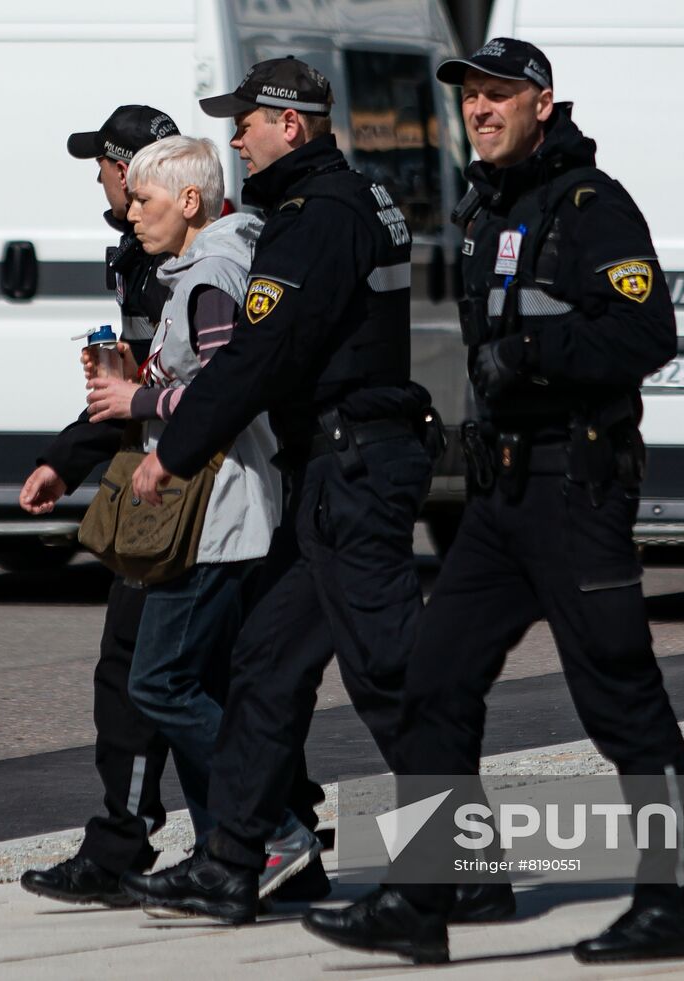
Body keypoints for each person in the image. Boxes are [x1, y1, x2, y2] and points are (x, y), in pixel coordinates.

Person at [301, 38, 684, 964]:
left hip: (574, 490)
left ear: (543, 101)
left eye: (499, 94)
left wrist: (533, 356)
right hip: (500, 498)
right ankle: (424, 898)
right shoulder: (490, 208)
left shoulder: (590, 206)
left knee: (620, 697)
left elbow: (648, 332)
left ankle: (682, 902)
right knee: (431, 684)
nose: (481, 109)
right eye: (471, 97)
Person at [116, 57, 440, 924]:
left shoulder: (316, 217)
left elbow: (261, 355)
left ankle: (461, 867)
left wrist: (175, 451)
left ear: (289, 125)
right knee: (263, 662)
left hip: (356, 469)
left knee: (387, 675)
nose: (236, 141)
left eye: (246, 123)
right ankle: (234, 860)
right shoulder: (353, 199)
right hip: (335, 469)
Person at [82, 135, 323, 894]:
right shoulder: (201, 269)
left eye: (143, 201)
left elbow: (230, 389)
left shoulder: (213, 276)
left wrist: (140, 401)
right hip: (211, 511)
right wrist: (137, 382)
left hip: (216, 516)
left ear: (189, 202)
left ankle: (273, 828)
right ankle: (229, 851)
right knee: (196, 684)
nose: (131, 214)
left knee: (159, 683)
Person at [17, 105, 182, 909]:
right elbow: (142, 386)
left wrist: (135, 396)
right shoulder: (147, 254)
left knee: (149, 673)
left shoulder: (187, 259)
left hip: (188, 487)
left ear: (129, 169)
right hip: (168, 477)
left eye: (105, 168)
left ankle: (251, 836)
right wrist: (65, 457)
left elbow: (198, 383)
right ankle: (260, 834)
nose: (101, 183)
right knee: (177, 672)